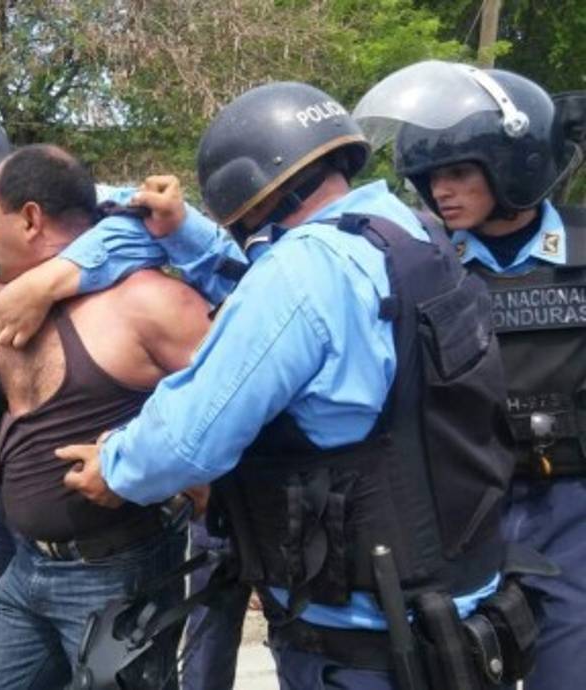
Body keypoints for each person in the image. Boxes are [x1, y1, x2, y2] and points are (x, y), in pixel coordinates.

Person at [59, 82, 533, 690]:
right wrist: (187, 234)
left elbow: (188, 439)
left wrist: (115, 465)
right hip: (459, 610)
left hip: (363, 642)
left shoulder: (301, 272)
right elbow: (274, 297)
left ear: (246, 191)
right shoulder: (409, 235)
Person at [0, 102, 239, 663]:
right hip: (26, 548)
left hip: (118, 558)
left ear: (25, 217)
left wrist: (167, 461)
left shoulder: (142, 292)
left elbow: (243, 390)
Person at [371, 62, 585, 690]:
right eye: (432, 176)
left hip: (572, 506)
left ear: (513, 163)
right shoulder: (418, 263)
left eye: (459, 171)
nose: (442, 191)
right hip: (463, 511)